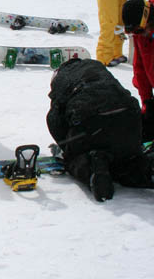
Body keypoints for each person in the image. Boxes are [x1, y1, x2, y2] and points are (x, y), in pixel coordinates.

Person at [46, 57, 153, 202]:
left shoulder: (62, 80)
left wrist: (67, 147)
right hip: (129, 115)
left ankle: (94, 167)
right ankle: (144, 171)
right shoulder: (96, 67)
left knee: (75, 159)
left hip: (90, 118)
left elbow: (54, 120)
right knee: (127, 159)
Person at [122, 0, 154, 140]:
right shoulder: (140, 34)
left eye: (140, 31)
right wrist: (147, 101)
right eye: (135, 33)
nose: (139, 35)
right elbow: (140, 67)